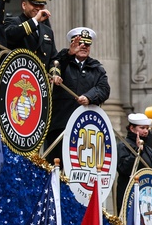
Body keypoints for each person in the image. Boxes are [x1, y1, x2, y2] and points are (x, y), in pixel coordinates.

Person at [44, 27, 110, 162]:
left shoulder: (97, 68)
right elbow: (55, 66)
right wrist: (69, 54)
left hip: (85, 128)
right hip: (60, 125)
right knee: (56, 163)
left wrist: (89, 97)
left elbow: (104, 89)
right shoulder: (61, 60)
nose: (83, 46)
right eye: (80, 43)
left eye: (87, 44)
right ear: (72, 44)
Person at [3, 0, 56, 66]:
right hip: (20, 71)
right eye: (34, 4)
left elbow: (54, 58)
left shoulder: (48, 31)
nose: (38, 8)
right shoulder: (12, 21)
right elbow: (9, 36)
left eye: (41, 5)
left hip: (40, 73)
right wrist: (35, 21)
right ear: (24, 5)